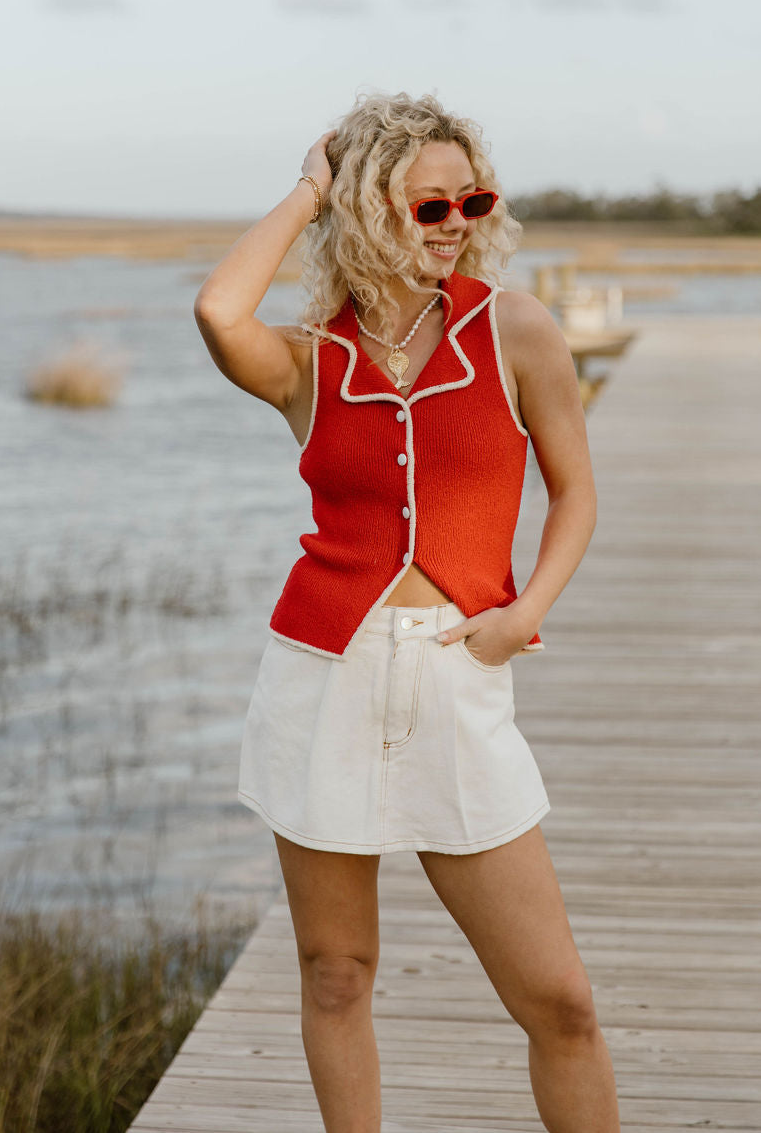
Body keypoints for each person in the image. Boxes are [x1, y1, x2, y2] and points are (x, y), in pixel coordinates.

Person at [194, 92, 620, 1133]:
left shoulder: (515, 329)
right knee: (336, 974)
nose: (457, 224)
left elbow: (575, 491)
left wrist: (527, 609)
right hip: (322, 677)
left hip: (457, 673)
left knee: (559, 1001)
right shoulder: (307, 358)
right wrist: (310, 186)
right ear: (368, 208)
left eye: (470, 200)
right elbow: (216, 309)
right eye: (427, 206)